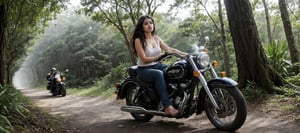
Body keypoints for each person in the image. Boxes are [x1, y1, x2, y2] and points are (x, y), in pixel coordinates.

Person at [130, 15, 188, 117]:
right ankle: (167, 106)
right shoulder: (138, 40)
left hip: (157, 65)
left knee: (174, 71)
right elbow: (144, 59)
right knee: (159, 74)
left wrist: (186, 55)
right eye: (146, 23)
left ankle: (176, 97)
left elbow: (170, 49)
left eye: (151, 23)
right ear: (141, 26)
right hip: (144, 69)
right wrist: (158, 57)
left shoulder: (156, 38)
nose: (149, 25)